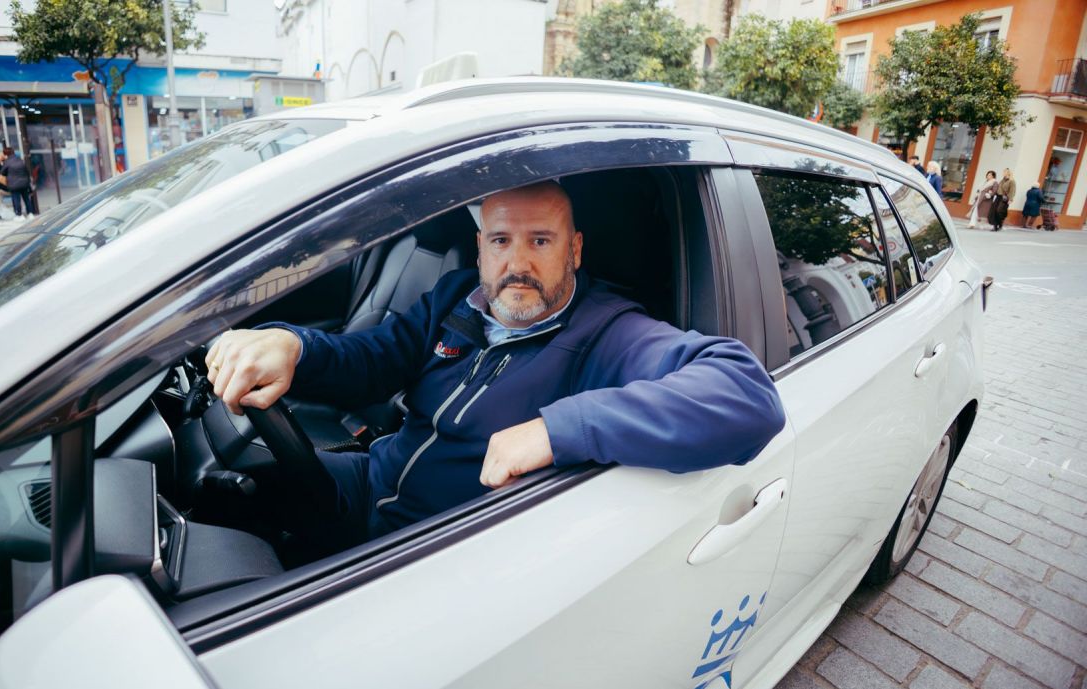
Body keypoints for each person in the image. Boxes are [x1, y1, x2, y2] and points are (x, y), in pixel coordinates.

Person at [206, 181, 787, 552]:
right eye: (501, 240)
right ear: (481, 247)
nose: (518, 263)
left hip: (437, 547)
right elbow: (375, 360)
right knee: (220, 501)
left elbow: (745, 394)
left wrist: (557, 429)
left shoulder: (610, 333)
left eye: (540, 241)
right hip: (369, 484)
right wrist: (293, 346)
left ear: (575, 249)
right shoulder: (459, 297)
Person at [0, 147, 35, 220]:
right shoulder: (20, 160)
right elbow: (26, 171)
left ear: (6, 154)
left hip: (14, 184)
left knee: (16, 199)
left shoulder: (7, 162)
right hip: (24, 183)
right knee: (26, 199)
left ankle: (19, 215)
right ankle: (30, 213)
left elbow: (2, 173)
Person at [991, 167, 1015, 232]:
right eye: (1003, 172)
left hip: (1004, 198)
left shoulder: (1012, 181)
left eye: (1004, 172)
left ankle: (1000, 223)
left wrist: (1010, 199)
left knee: (999, 211)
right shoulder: (1002, 180)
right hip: (998, 197)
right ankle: (995, 226)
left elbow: (1012, 191)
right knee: (995, 211)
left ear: (1008, 173)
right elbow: (998, 188)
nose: (1003, 173)